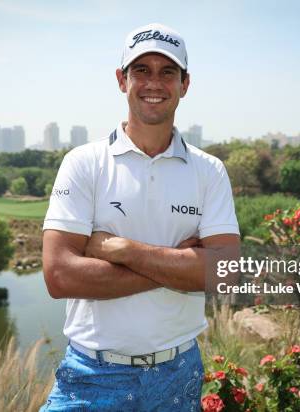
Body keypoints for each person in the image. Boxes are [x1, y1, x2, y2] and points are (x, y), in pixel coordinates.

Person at [40, 22, 240, 411]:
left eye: (167, 72)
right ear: (121, 79)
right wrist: (177, 264)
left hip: (178, 373)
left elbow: (224, 272)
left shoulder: (209, 170)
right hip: (92, 374)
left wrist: (122, 249)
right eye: (141, 71)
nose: (154, 83)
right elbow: (59, 275)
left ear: (185, 84)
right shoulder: (83, 163)